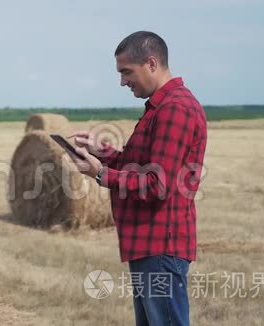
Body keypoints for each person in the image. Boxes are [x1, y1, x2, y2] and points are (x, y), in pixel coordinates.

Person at [68, 31, 207, 326]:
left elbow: (157, 185)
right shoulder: (161, 108)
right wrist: (100, 152)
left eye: (126, 72)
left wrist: (101, 173)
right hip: (149, 245)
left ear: (152, 63)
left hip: (161, 246)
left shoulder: (174, 109)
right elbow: (141, 167)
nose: (122, 82)